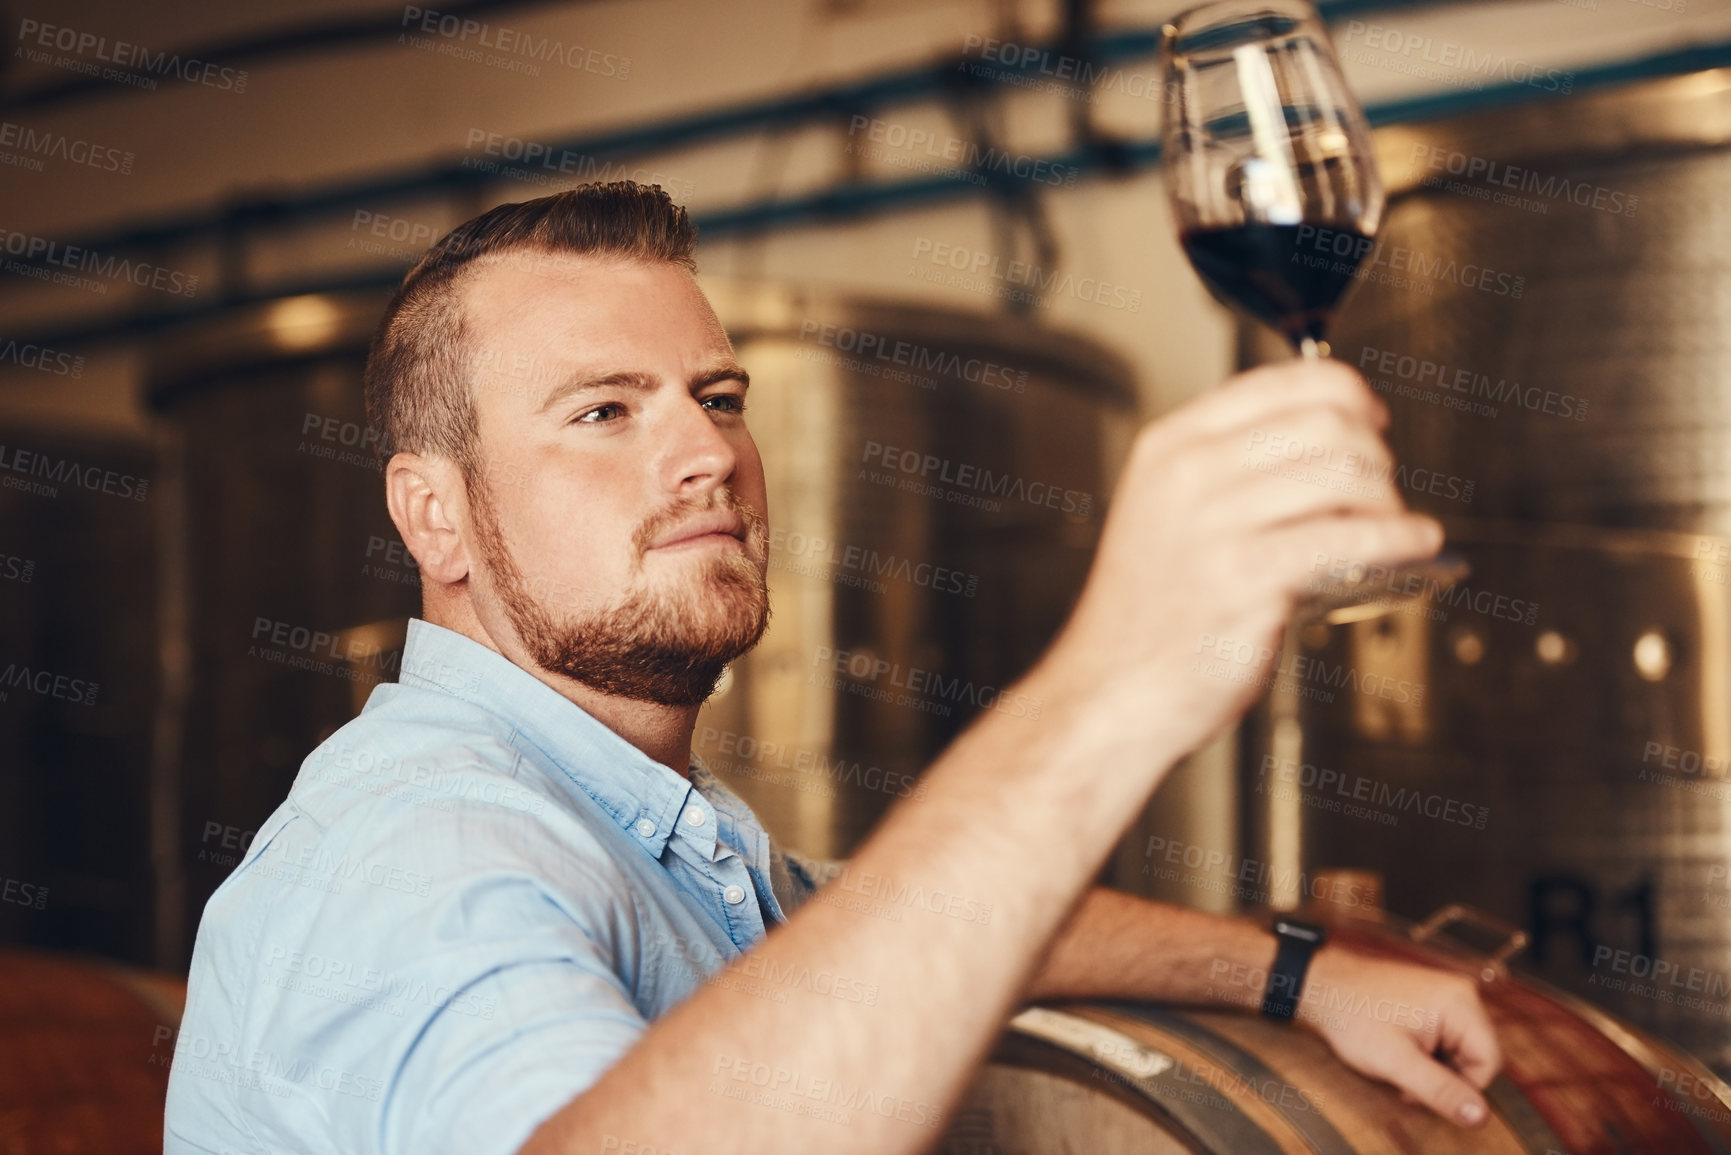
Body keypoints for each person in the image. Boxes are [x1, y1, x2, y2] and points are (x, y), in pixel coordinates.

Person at [164, 181, 1499, 1155]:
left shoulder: (638, 825)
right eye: (604, 411)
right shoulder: (428, 851)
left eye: (720, 398)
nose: (704, 454)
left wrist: (1293, 971)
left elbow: (915, 924)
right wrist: (1108, 687)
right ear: (432, 515)